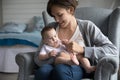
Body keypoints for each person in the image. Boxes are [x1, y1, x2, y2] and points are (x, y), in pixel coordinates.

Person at [34, 0, 118, 80]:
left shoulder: (87, 27)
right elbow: (37, 58)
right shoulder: (50, 29)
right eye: (54, 16)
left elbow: (113, 50)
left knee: (60, 70)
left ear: (70, 10)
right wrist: (57, 59)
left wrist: (83, 50)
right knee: (42, 72)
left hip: (79, 66)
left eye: (59, 15)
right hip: (53, 64)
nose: (56, 20)